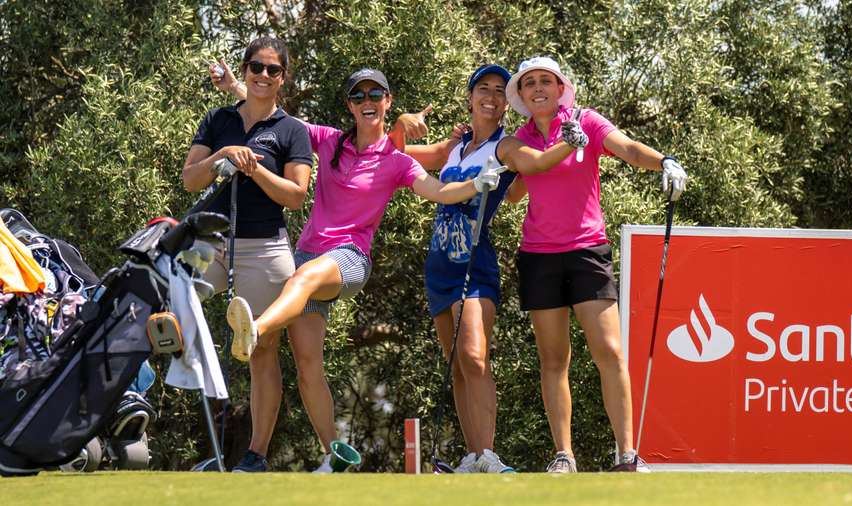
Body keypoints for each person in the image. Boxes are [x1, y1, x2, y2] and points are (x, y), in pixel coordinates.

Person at [211, 65, 505, 472]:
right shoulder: (329, 141)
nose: (367, 102)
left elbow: (438, 191)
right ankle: (336, 456)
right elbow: (277, 116)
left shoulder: (397, 161)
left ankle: (257, 328)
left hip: (349, 259)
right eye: (358, 96)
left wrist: (477, 184)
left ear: (388, 102)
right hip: (308, 255)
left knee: (304, 278)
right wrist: (234, 87)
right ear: (349, 105)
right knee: (307, 365)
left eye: (375, 95)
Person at [392, 64, 587, 473]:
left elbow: (534, 164)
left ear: (506, 104)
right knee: (457, 363)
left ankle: (488, 455)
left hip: (474, 263)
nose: (492, 97)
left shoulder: (506, 147)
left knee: (475, 356)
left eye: (500, 91)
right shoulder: (454, 146)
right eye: (484, 88)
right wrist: (400, 124)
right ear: (470, 96)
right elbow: (388, 155)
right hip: (439, 265)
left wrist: (568, 145)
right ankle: (472, 455)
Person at [505, 56, 687, 473]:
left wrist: (663, 160)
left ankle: (627, 454)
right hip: (539, 255)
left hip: (588, 251)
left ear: (559, 87)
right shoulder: (521, 138)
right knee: (554, 359)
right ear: (522, 94)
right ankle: (564, 456)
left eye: (545, 81)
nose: (537, 88)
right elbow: (515, 191)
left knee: (609, 350)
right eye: (529, 83)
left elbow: (626, 148)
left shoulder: (585, 122)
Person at [184, 36, 313, 472]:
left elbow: (296, 196)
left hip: (266, 248)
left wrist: (255, 168)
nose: (263, 76)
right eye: (256, 67)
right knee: (176, 304)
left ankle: (255, 456)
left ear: (283, 77)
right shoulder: (218, 120)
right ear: (245, 70)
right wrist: (223, 154)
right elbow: (190, 181)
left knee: (262, 347)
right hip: (213, 241)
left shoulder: (292, 130)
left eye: (273, 70)